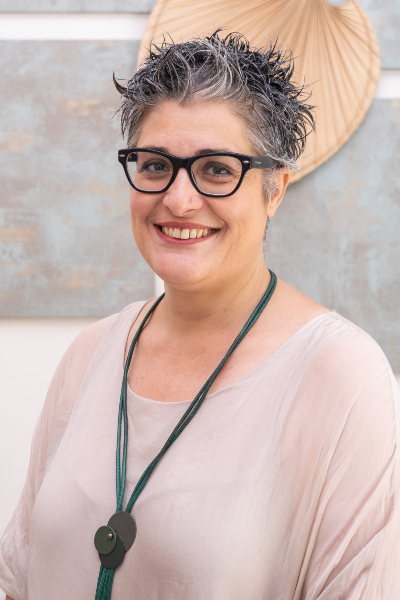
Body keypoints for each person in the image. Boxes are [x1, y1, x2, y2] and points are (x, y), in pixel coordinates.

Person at [1, 31, 399, 600]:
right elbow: (19, 578)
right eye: (155, 164)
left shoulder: (341, 376)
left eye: (216, 169)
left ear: (275, 189)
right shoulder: (91, 353)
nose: (179, 199)